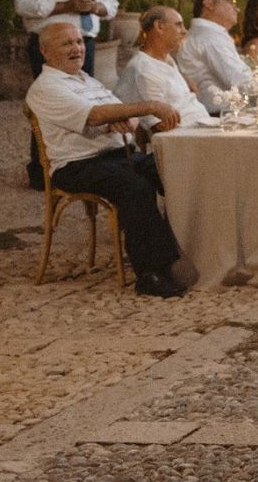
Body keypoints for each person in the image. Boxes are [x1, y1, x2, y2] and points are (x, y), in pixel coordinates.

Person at [26, 21, 188, 297]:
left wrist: (128, 118)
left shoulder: (87, 81)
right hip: (77, 164)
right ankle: (151, 273)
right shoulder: (46, 88)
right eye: (67, 43)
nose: (77, 48)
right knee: (134, 187)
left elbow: (122, 112)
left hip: (116, 155)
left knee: (177, 170)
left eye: (79, 42)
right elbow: (96, 115)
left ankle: (196, 253)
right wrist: (148, 106)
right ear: (45, 51)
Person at [15, 0, 120, 185]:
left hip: (85, 43)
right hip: (53, 45)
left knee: (85, 101)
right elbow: (25, 5)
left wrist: (95, 7)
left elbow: (112, 5)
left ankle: (88, 156)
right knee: (52, 103)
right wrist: (64, 6)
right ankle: (42, 168)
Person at [114, 6, 215, 129]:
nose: (184, 31)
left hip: (203, 127)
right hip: (186, 137)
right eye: (178, 25)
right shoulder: (144, 70)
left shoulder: (164, 59)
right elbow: (159, 127)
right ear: (159, 26)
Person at [176, 0, 252, 114]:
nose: (236, 7)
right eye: (230, 0)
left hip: (220, 114)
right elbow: (238, 79)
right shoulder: (209, 37)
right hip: (219, 117)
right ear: (209, 4)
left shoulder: (209, 34)